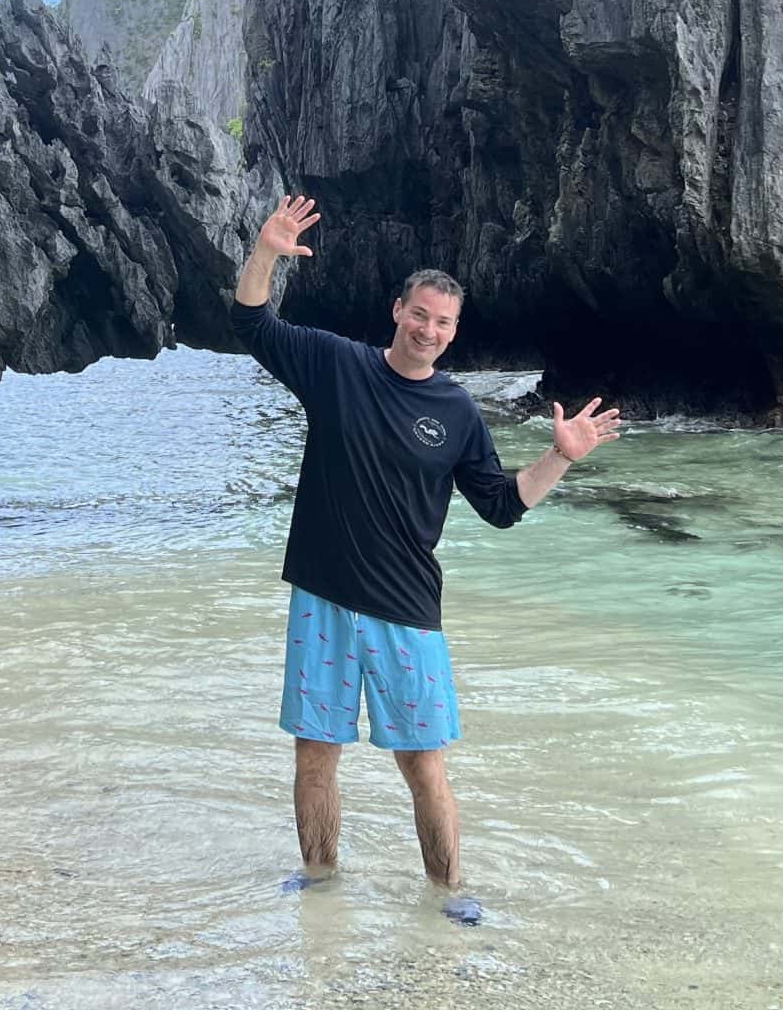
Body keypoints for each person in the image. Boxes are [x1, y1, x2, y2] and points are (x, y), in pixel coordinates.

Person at [230, 193, 621, 922]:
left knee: (424, 765)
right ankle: (319, 888)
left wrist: (560, 458)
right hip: (321, 595)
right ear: (397, 311)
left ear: (454, 331)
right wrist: (266, 253)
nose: (429, 330)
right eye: (420, 314)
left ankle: (448, 894)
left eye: (443, 322)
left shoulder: (458, 412)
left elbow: (502, 506)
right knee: (315, 755)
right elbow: (251, 322)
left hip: (408, 612)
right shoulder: (333, 365)